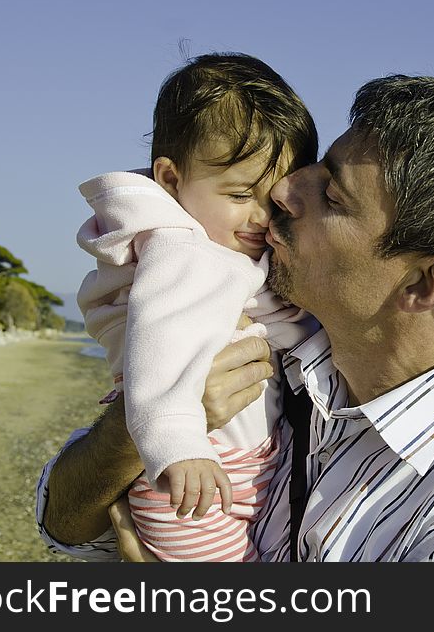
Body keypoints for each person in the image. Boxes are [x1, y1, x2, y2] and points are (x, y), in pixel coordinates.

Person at [38, 74, 434, 562]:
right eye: (311, 170)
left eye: (332, 195)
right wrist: (142, 426)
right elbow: (65, 521)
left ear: (425, 283)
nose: (281, 191)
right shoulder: (294, 339)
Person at [69, 52, 318, 561]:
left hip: (223, 461)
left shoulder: (211, 247)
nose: (259, 216)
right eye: (240, 193)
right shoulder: (185, 253)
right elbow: (162, 346)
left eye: (273, 200)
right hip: (192, 468)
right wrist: (177, 444)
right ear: (170, 179)